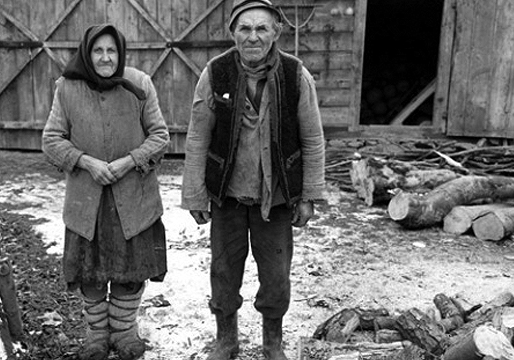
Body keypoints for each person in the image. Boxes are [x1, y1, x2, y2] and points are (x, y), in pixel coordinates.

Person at [181, 0, 326, 359]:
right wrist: (195, 195)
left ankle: (272, 344)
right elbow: (198, 136)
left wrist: (308, 195)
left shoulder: (295, 75)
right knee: (224, 271)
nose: (253, 36)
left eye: (261, 28)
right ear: (233, 34)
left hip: (276, 199)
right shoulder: (215, 74)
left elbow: (312, 138)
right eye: (244, 29)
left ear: (276, 32)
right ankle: (226, 341)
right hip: (227, 196)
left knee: (276, 276)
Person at [42, 24, 169, 360]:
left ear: (120, 53)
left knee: (131, 271)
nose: (105, 57)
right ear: (87, 53)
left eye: (111, 50)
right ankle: (96, 336)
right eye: (98, 50)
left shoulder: (139, 85)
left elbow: (160, 136)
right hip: (88, 202)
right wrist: (86, 162)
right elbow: (51, 140)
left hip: (134, 199)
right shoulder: (67, 88)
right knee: (90, 274)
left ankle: (125, 333)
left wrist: (130, 161)